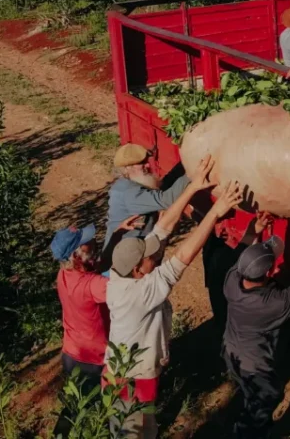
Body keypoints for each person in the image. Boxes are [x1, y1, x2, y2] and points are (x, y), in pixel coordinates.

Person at [105, 160, 243, 439]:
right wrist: (215, 212)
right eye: (150, 258)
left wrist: (192, 187)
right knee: (130, 432)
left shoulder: (119, 275)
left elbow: (162, 230)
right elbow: (184, 256)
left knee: (146, 423)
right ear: (138, 269)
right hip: (131, 378)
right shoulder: (143, 293)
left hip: (122, 370)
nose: (156, 256)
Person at [49, 213, 145, 439]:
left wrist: (119, 232)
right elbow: (125, 290)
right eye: (87, 243)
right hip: (93, 358)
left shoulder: (64, 274)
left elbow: (99, 263)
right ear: (76, 255)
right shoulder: (92, 286)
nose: (93, 243)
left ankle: (62, 436)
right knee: (107, 402)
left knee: (77, 404)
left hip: (72, 353)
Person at [223, 217, 290, 438]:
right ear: (268, 274)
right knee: (264, 403)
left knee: (249, 393)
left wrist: (256, 228)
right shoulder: (272, 304)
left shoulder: (232, 281)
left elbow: (244, 248)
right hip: (255, 366)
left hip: (232, 353)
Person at [105, 143, 192, 247]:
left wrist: (186, 162)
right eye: (142, 163)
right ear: (127, 167)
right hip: (131, 257)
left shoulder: (124, 184)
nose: (147, 165)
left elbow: (163, 187)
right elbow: (166, 199)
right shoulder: (130, 193)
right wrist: (191, 170)